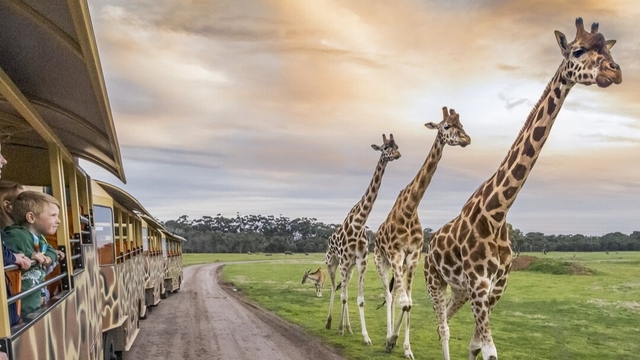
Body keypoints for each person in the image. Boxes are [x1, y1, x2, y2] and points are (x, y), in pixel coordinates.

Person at [4, 191, 59, 317]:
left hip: (34, 302)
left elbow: (50, 250)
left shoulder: (39, 238)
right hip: (20, 308)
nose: (58, 220)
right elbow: (6, 255)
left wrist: (48, 259)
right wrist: (29, 256)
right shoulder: (16, 236)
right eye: (53, 215)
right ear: (31, 218)